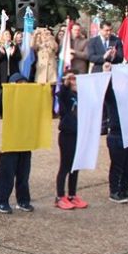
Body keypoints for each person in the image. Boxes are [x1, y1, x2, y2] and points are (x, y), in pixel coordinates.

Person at [0, 73, 34, 213]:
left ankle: (23, 200)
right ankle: (1, 201)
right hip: (10, 140)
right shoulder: (7, 97)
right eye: (19, 83)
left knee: (24, 174)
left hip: (26, 139)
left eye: (24, 83)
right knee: (6, 173)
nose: (23, 86)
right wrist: (8, 90)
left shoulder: (29, 98)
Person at [104, 64, 128, 204]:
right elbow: (105, 89)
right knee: (117, 164)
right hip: (116, 133)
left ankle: (125, 188)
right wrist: (107, 72)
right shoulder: (112, 95)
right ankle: (114, 191)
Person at [55, 74, 88, 210]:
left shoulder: (83, 95)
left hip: (79, 134)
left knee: (76, 166)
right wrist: (66, 83)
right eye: (73, 80)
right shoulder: (66, 95)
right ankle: (60, 196)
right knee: (65, 166)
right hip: (67, 135)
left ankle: (72, 194)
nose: (75, 83)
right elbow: (61, 94)